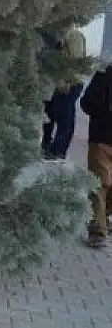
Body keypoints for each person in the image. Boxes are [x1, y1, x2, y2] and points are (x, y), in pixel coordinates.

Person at [42, 27, 88, 161]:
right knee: (54, 113)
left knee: (64, 117)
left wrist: (65, 81)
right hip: (59, 82)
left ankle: (58, 150)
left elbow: (75, 61)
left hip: (69, 83)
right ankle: (51, 146)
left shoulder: (72, 35)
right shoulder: (59, 34)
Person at [80, 62, 112, 248]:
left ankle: (99, 228)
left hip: (101, 137)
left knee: (99, 184)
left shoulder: (103, 73)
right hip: (101, 138)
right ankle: (101, 222)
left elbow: (87, 103)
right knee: (102, 184)